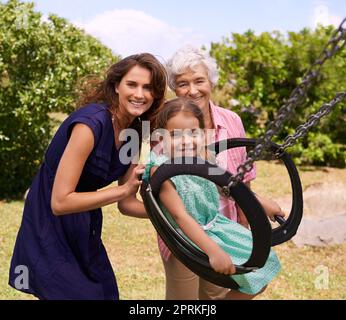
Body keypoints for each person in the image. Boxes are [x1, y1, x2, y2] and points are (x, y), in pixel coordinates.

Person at [8, 53, 167, 300]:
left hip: (85, 226)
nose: (140, 94)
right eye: (132, 84)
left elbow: (126, 205)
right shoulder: (90, 124)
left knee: (105, 294)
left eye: (148, 87)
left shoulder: (134, 132)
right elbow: (60, 202)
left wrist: (174, 216)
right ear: (116, 86)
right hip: (50, 226)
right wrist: (121, 191)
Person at [154, 45, 281, 300]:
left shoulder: (231, 120)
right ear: (173, 88)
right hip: (185, 236)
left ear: (210, 81)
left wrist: (254, 206)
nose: (192, 90)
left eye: (199, 80)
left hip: (224, 227)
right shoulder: (165, 126)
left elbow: (238, 179)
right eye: (182, 83)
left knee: (229, 289)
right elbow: (160, 190)